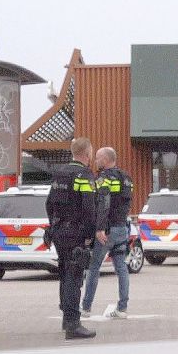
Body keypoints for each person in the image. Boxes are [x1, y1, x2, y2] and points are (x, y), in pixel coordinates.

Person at [46, 138, 97, 339]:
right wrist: (88, 237)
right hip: (75, 232)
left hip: (59, 231)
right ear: (87, 154)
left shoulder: (59, 173)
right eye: (91, 152)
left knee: (65, 273)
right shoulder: (84, 175)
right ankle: (73, 324)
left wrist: (54, 225)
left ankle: (66, 319)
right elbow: (89, 208)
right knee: (75, 277)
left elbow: (49, 203)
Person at [81, 147, 132, 319]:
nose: (95, 161)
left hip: (107, 230)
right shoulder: (126, 178)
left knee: (94, 267)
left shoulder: (104, 178)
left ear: (105, 159)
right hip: (122, 228)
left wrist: (100, 228)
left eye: (97, 158)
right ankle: (122, 308)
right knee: (121, 268)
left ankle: (86, 308)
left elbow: (103, 203)